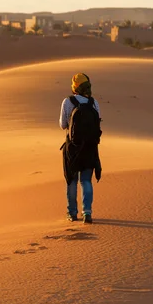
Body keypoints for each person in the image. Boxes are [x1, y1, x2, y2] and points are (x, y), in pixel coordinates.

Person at [59, 73, 102, 224]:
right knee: (86, 180)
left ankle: (72, 213)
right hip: (90, 148)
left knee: (72, 181)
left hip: (72, 148)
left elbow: (63, 125)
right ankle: (87, 212)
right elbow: (98, 124)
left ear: (75, 86)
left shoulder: (68, 101)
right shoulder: (94, 103)